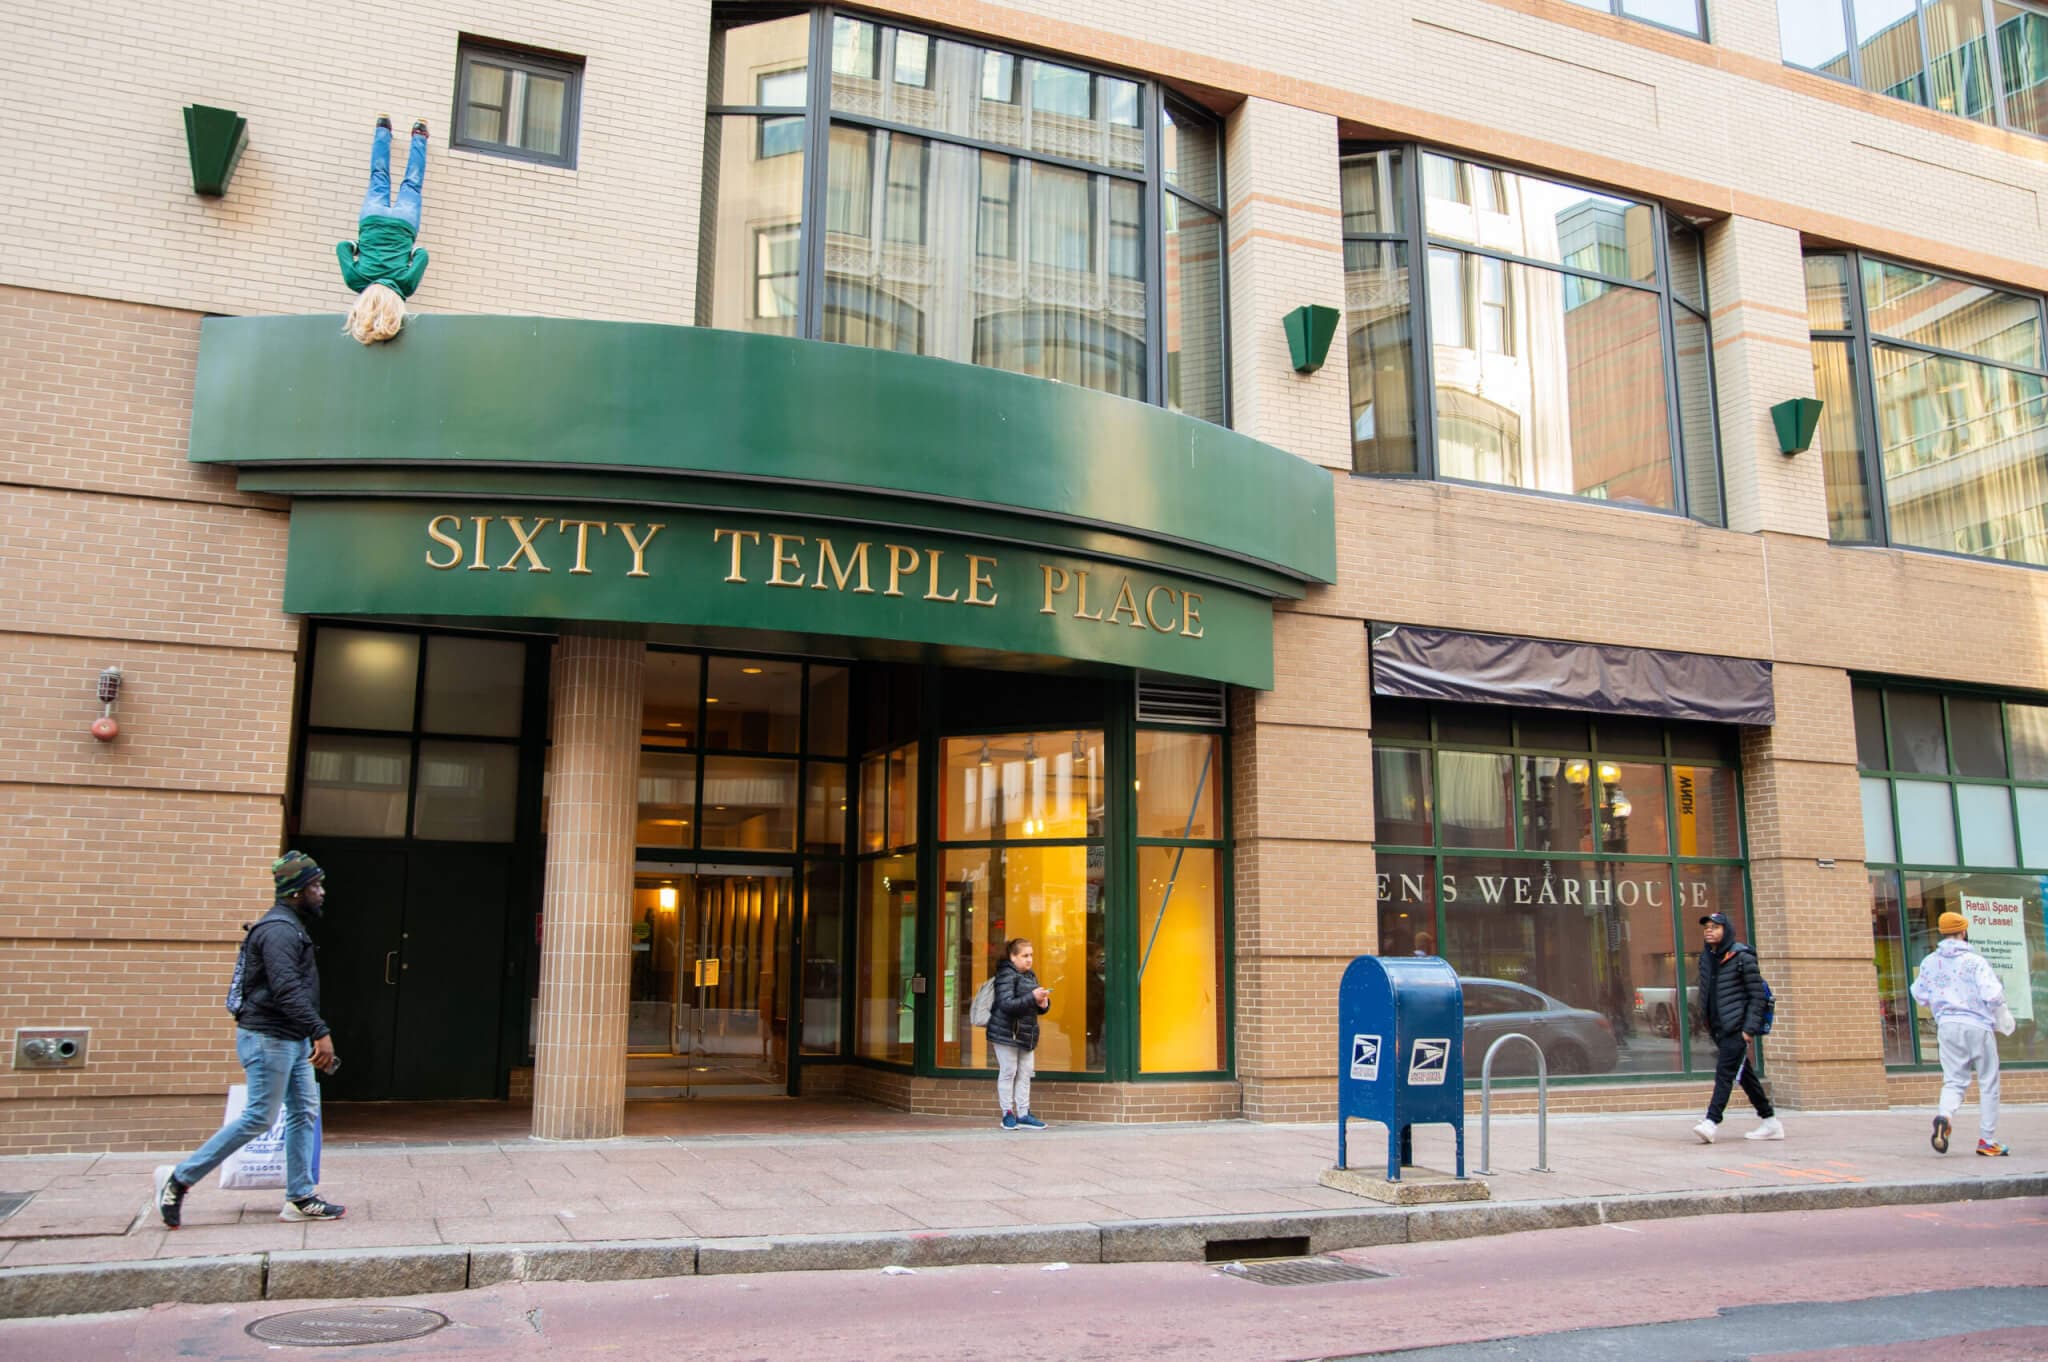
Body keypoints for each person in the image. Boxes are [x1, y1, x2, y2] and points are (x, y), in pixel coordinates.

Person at [156, 851, 345, 1227]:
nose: (322, 892)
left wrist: (307, 1033)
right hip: (268, 1038)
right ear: (296, 891)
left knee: (304, 1113)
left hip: (290, 1038)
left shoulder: (288, 926)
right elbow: (286, 988)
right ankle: (179, 1179)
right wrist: (320, 1031)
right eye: (315, 885)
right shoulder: (278, 931)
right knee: (260, 1116)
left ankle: (300, 1197)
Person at [1910, 910, 2015, 1156]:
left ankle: (1944, 1117)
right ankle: (1987, 1140)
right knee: (1988, 1082)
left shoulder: (1929, 962)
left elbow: (1919, 993)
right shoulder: (1975, 961)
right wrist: (2002, 1015)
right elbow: (1993, 994)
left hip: (1947, 1025)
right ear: (1963, 931)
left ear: (1942, 932)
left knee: (1954, 1080)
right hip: (1977, 1024)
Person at [1690, 911, 1783, 1143]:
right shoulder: (1707, 958)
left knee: (1724, 1073)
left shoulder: (1742, 957)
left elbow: (1757, 997)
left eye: (1715, 927)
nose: (1709, 931)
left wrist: (1748, 1030)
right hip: (1718, 1027)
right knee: (1745, 1075)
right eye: (1707, 927)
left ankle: (1711, 1122)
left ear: (1727, 930)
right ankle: (1770, 1121)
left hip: (1737, 1027)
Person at [337, 116, 431, 343]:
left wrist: (409, 252)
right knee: (379, 176)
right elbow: (342, 247)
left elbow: (422, 254)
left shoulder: (405, 285)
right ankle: (382, 129)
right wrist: (359, 246)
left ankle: (419, 135)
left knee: (412, 183)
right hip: (372, 220)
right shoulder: (355, 280)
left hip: (403, 224)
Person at [986, 937, 1051, 1131]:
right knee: (1008, 1071)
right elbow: (1006, 1004)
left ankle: (1023, 1113)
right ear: (1013, 957)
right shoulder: (1005, 975)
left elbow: (1032, 1006)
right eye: (1024, 955)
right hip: (1006, 1032)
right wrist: (1032, 997)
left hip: (1026, 1032)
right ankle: (1007, 1113)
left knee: (1025, 1072)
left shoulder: (1030, 976)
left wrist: (1043, 1004)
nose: (1029, 959)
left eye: (1031, 955)